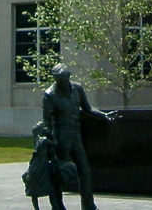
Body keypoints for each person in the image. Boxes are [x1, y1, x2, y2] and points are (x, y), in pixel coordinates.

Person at [42, 63, 114, 210]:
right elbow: (47, 122)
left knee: (85, 171)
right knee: (60, 174)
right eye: (59, 80)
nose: (63, 82)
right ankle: (57, 205)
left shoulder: (77, 89)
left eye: (65, 79)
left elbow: (87, 108)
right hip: (60, 137)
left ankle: (88, 205)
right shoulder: (49, 95)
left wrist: (103, 115)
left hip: (76, 135)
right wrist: (50, 141)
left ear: (68, 76)